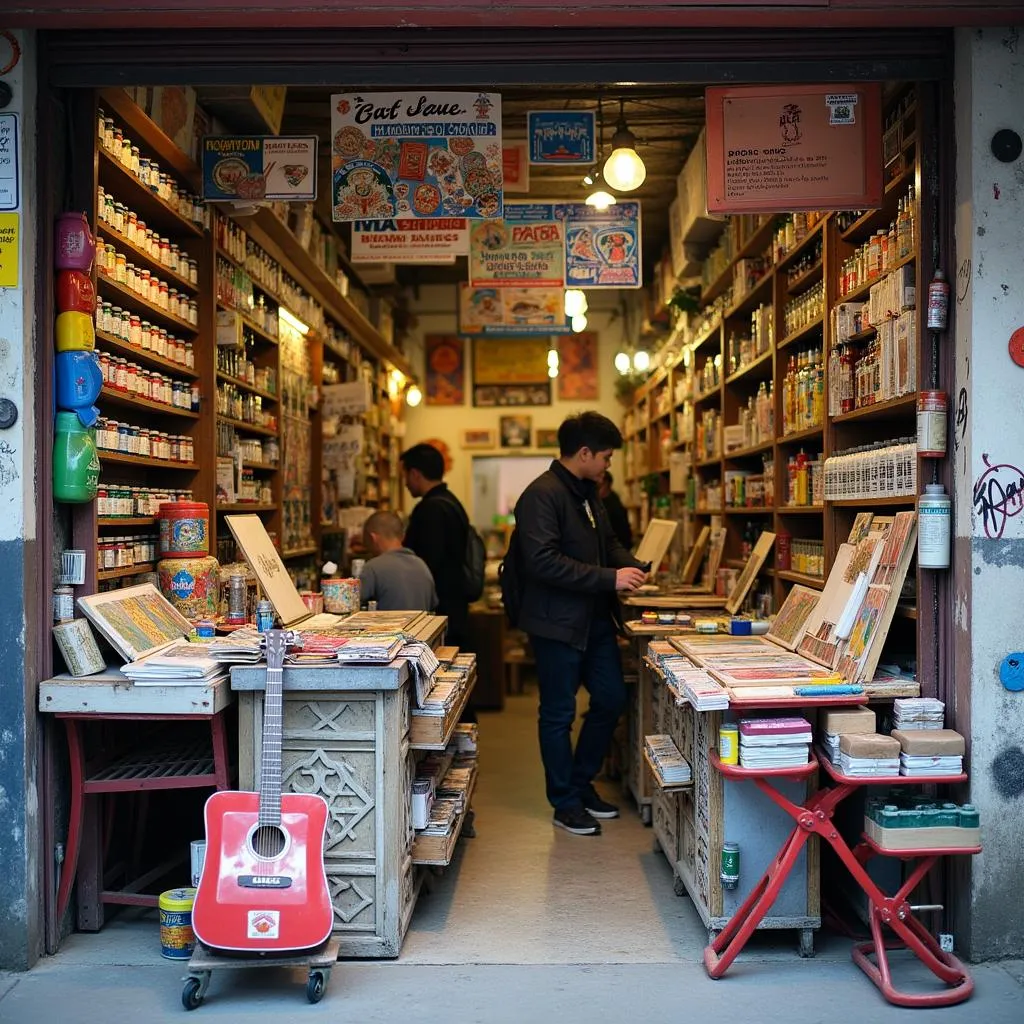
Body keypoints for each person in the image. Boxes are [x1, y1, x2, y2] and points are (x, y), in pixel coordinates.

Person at [512, 412, 649, 836]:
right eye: (606, 457)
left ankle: (579, 782)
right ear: (584, 453)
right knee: (557, 713)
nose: (609, 465)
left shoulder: (589, 494)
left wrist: (636, 567)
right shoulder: (541, 495)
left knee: (610, 699)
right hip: (556, 624)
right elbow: (541, 562)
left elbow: (606, 544)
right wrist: (610, 578)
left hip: (594, 620)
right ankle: (564, 802)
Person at [399, 443, 471, 649]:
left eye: (405, 476)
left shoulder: (430, 509)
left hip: (441, 609)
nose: (405, 483)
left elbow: (427, 562)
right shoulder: (451, 502)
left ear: (414, 474)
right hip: (456, 605)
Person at [358, 510, 437, 613]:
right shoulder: (422, 566)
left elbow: (351, 604)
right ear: (402, 536)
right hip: (422, 628)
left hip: (388, 628)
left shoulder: (373, 567)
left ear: (372, 538)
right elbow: (432, 606)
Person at [599, 471, 633, 551]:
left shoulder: (613, 504)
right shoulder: (603, 500)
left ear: (606, 484)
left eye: (599, 486)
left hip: (617, 548)